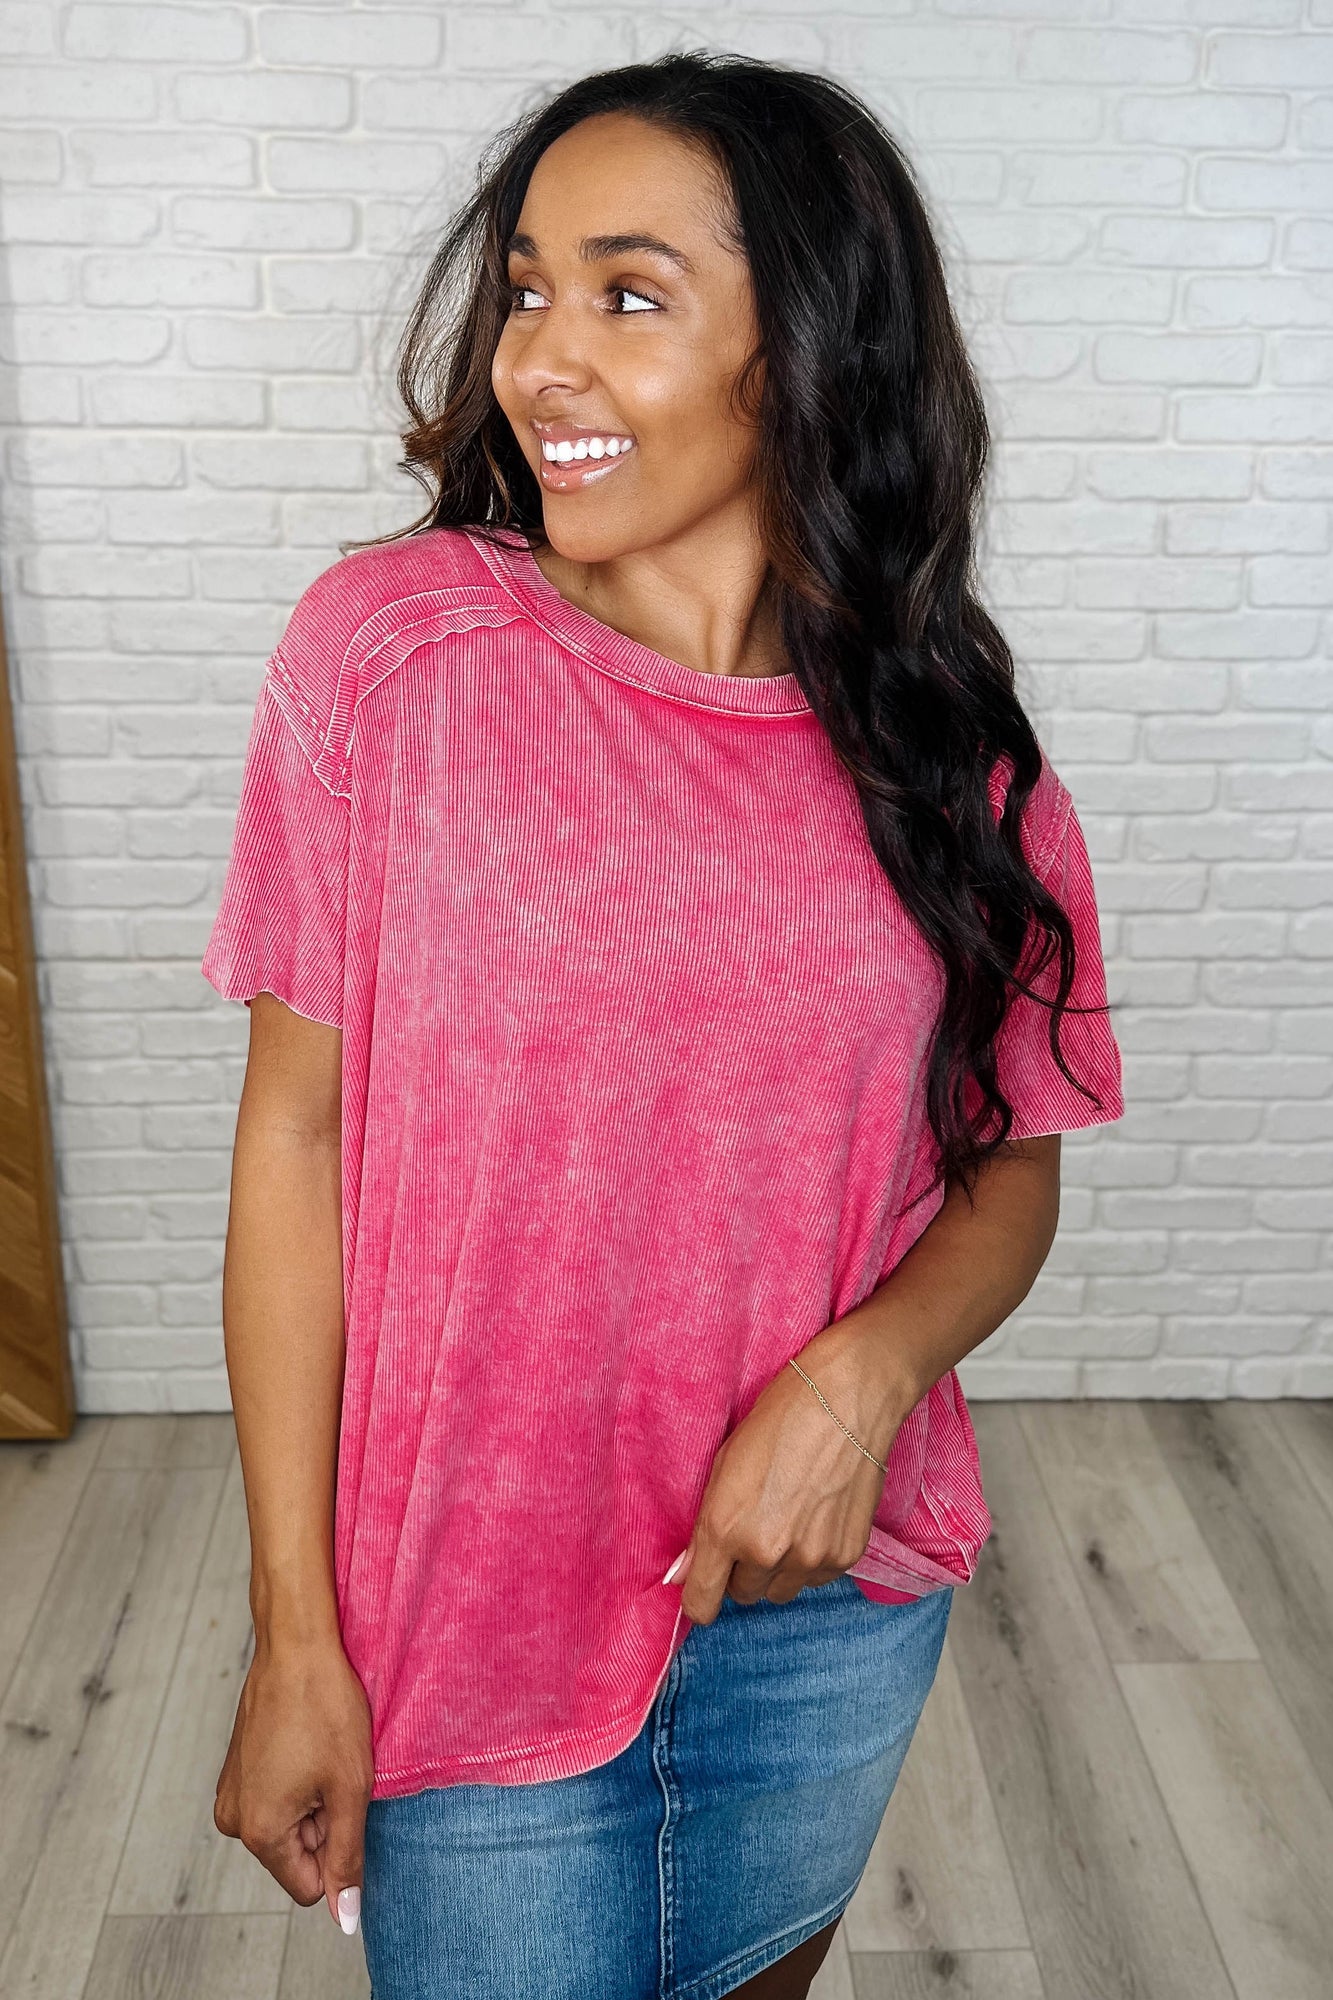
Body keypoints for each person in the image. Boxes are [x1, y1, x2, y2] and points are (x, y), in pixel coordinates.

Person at [203, 50, 1124, 2000]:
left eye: (629, 294)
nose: (541, 358)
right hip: (467, 1611)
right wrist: (294, 1629)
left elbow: (1007, 1169)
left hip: (821, 1600)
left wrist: (862, 1377)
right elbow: (295, 1139)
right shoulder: (393, 658)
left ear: (810, 349)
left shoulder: (947, 743)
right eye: (528, 290)